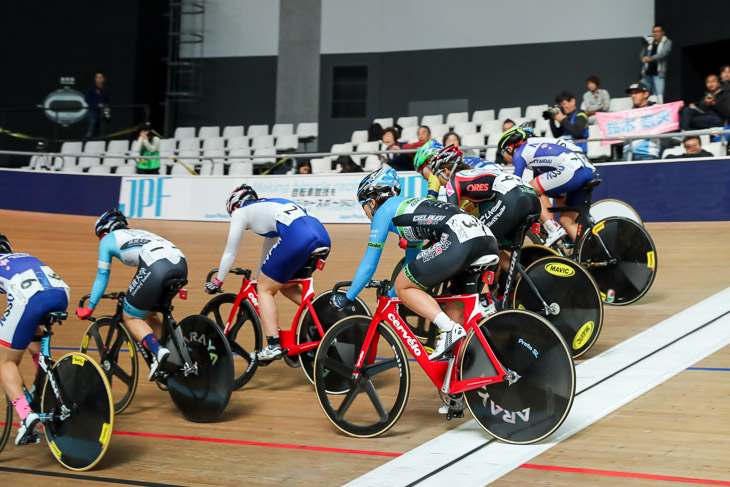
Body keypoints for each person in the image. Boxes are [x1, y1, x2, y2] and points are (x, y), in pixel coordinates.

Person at [329, 168, 499, 361]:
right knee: (454, 307)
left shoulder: (382, 213)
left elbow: (369, 265)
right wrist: (391, 296)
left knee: (405, 286)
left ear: (373, 200)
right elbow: (413, 265)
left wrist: (348, 297)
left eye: (364, 206)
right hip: (486, 240)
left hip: (460, 239)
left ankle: (449, 329)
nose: (366, 212)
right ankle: (460, 374)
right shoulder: (410, 208)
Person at [205, 184, 331, 362]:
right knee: (285, 286)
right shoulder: (267, 208)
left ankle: (273, 346)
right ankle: (327, 317)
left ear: (235, 205)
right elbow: (268, 254)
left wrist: (218, 281)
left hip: (298, 237)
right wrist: (258, 278)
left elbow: (230, 252)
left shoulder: (240, 212)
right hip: (320, 234)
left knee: (265, 290)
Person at [76, 210, 187, 380]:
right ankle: (177, 355)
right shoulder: (140, 232)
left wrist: (90, 307)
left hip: (156, 266)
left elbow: (102, 276)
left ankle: (158, 352)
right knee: (150, 313)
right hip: (180, 263)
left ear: (104, 231)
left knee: (131, 317)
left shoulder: (107, 239)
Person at [428, 145, 541, 280]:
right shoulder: (474, 174)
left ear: (445, 171)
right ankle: (532, 284)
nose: (439, 183)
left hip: (513, 199)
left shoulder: (454, 181)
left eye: (437, 176)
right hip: (530, 197)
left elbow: (451, 215)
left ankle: (484, 296)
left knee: (476, 241)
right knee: (496, 247)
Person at [0, 234, 70, 445]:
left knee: (5, 361)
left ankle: (26, 414)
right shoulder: (22, 256)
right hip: (61, 294)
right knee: (30, 328)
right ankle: (45, 381)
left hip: (30, 300)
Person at [498, 124, 596, 245]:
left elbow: (516, 182)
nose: (504, 159)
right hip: (586, 170)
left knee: (527, 189)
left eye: (503, 154)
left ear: (508, 148)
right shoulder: (536, 149)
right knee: (566, 221)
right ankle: (589, 253)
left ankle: (553, 228)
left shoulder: (520, 152)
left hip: (572, 170)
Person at [413, 139, 496, 200]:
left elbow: (430, 202)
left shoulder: (438, 170)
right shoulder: (460, 162)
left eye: (421, 171)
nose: (423, 177)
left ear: (429, 163)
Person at [622, 82, 661, 160]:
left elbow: (669, 114)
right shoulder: (627, 113)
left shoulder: (656, 109)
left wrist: (677, 108)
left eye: (636, 93)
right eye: (631, 94)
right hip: (628, 153)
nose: (633, 96)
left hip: (647, 153)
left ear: (645, 94)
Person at [640, 26, 672, 97]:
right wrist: (643, 58)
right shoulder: (649, 43)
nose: (655, 34)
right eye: (654, 32)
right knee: (641, 94)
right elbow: (642, 54)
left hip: (658, 75)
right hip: (646, 74)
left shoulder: (667, 42)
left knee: (658, 96)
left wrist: (650, 58)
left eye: (657, 31)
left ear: (662, 32)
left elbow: (662, 54)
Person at [83, 71, 109, 142]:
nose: (99, 79)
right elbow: (86, 99)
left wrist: (105, 109)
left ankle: (100, 147)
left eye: (101, 77)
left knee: (102, 132)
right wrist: (96, 104)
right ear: (95, 79)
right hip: (92, 112)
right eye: (97, 77)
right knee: (90, 130)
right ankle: (83, 148)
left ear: (104, 79)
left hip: (101, 113)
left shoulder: (104, 90)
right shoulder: (91, 88)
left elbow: (106, 101)